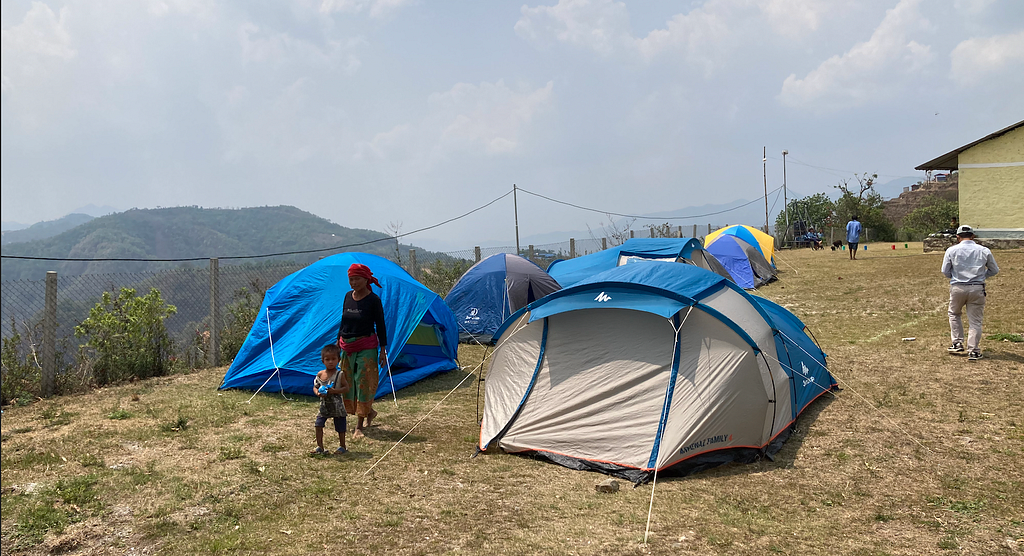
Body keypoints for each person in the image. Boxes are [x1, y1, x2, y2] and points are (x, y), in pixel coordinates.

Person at [337, 263, 388, 439]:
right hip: (347, 346)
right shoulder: (347, 297)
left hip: (366, 346)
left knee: (363, 383)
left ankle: (359, 425)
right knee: (348, 382)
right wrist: (339, 340)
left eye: (357, 279)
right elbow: (343, 321)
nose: (353, 283)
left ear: (366, 280)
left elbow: (380, 325)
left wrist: (382, 350)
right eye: (351, 279)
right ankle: (370, 411)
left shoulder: (374, 301)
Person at [942, 225, 999, 361]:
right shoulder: (983, 250)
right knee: (975, 321)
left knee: (954, 314)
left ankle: (957, 342)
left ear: (958, 237)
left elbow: (945, 271)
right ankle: (973, 351)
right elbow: (994, 270)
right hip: (977, 288)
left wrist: (956, 276)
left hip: (958, 287)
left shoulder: (952, 250)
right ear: (973, 236)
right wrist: (982, 276)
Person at [312, 344, 349, 455]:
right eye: (327, 359)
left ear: (339, 360)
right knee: (318, 424)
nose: (331, 362)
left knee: (340, 426)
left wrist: (334, 391)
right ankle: (320, 446)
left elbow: (346, 388)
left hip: (337, 405)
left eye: (333, 359)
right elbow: (315, 386)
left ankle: (342, 446)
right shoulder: (320, 374)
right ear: (323, 360)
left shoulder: (340, 374)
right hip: (324, 405)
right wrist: (318, 393)